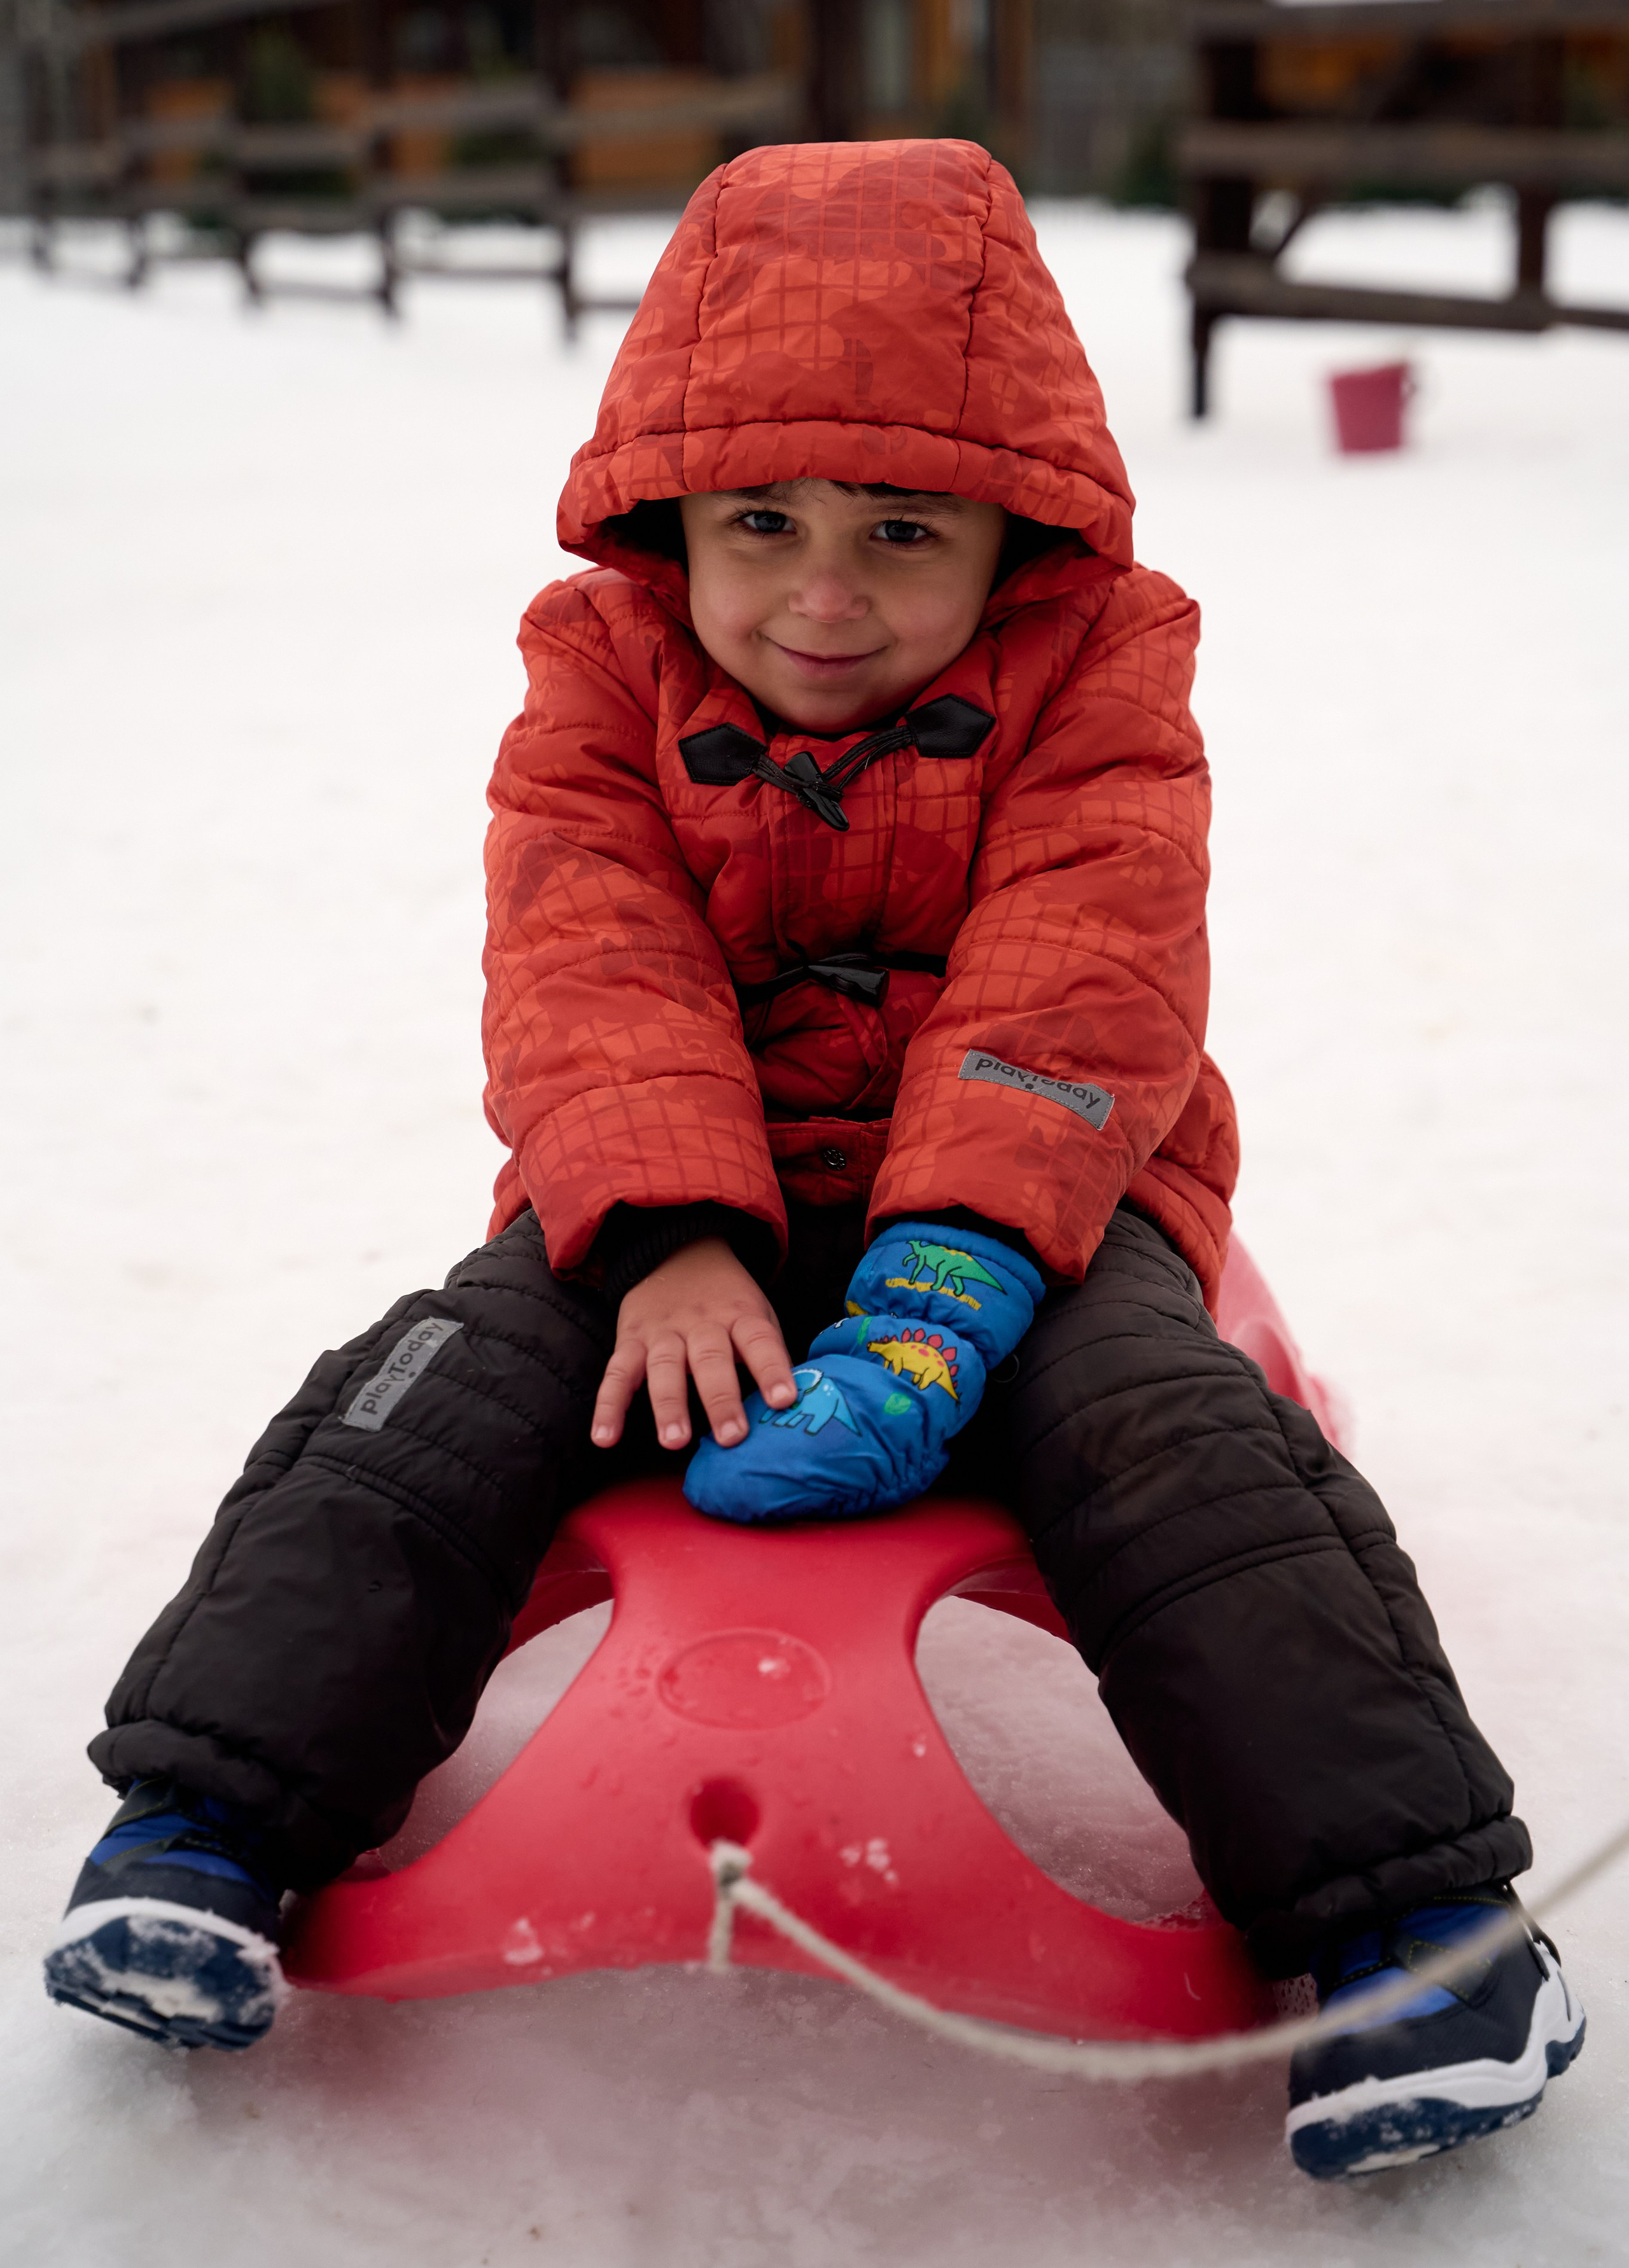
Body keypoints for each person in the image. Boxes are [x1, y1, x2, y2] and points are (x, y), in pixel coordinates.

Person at [45, 140, 1582, 2177]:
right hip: (686, 1183)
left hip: (1041, 1197)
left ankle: (1419, 1933)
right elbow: (586, 952)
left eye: (902, 528)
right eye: (760, 524)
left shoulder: (1101, 671)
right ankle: (204, 1822)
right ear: (666, 513)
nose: (826, 595)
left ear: (1013, 528)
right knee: (439, 1398)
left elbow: (1085, 959)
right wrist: (673, 1230)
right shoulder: (600, 674)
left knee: (1174, 1449)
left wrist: (956, 1277)